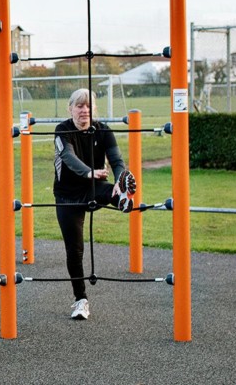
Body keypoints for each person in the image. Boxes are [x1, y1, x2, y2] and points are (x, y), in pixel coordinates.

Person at [52, 88, 137, 320]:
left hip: (93, 188)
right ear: (70, 108)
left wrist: (120, 178)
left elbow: (117, 160)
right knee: (74, 251)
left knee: (111, 189)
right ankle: (81, 300)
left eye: (88, 106)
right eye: (79, 106)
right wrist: (90, 172)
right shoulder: (62, 130)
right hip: (67, 196)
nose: (84, 110)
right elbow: (68, 158)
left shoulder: (102, 130)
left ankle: (121, 196)